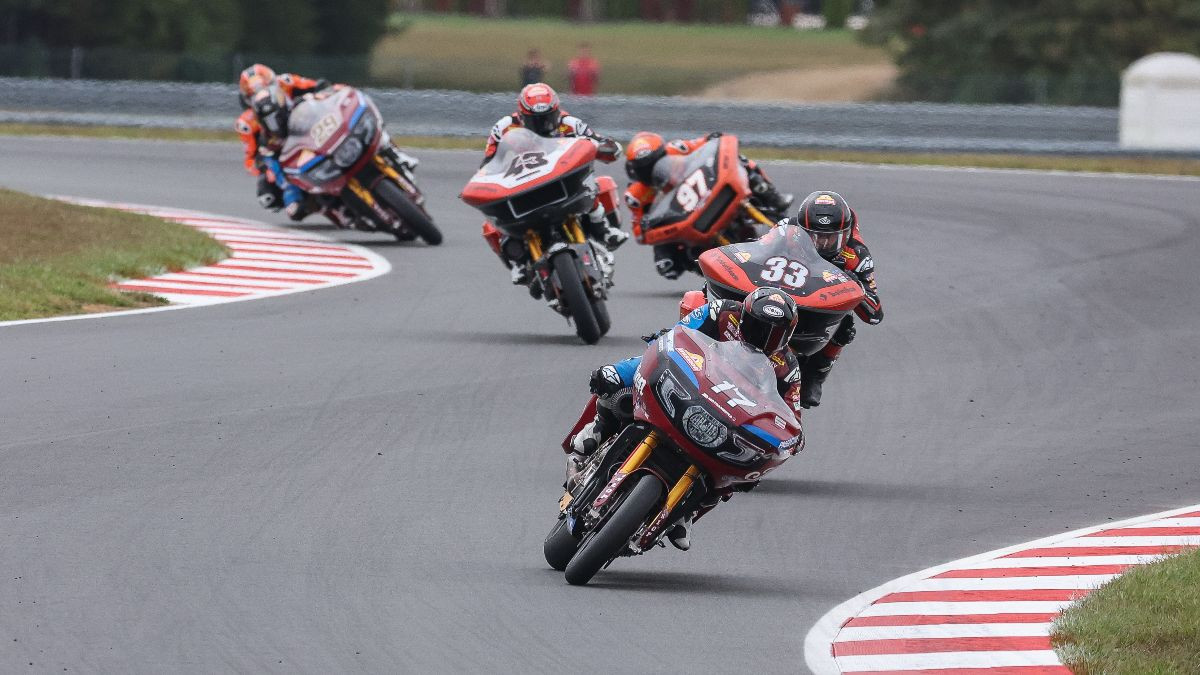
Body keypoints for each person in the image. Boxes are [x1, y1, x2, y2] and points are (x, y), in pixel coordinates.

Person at [567, 286, 805, 550]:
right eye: (760, 327)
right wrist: (653, 349)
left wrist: (792, 439)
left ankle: (687, 510)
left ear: (788, 335)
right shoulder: (721, 311)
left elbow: (791, 413)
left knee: (740, 474)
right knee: (615, 381)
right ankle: (596, 431)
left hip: (724, 416)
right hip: (688, 383)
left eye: (776, 334)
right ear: (745, 315)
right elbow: (675, 335)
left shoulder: (787, 367)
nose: (766, 338)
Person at [482, 82, 628, 286]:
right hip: (523, 186)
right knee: (491, 222)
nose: (544, 124)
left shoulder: (570, 123)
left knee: (596, 182)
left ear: (557, 110)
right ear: (522, 116)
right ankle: (518, 262)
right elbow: (488, 162)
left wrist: (607, 148)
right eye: (537, 120)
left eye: (549, 117)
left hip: (562, 182)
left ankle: (604, 229)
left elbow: (596, 140)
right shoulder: (504, 127)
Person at [623, 131, 794, 279]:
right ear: (635, 170)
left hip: (706, 190)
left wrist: (714, 138)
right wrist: (645, 225)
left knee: (740, 162)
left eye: (656, 161)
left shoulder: (678, 148)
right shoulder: (635, 195)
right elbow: (638, 231)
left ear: (663, 152)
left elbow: (705, 143)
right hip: (681, 218)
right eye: (644, 168)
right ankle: (706, 268)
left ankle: (773, 196)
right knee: (667, 262)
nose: (653, 171)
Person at [784, 190, 884, 407]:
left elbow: (875, 314)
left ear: (845, 234)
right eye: (814, 237)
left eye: (831, 239)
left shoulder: (856, 254)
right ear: (801, 230)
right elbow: (754, 248)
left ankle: (814, 377)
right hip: (781, 292)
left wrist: (854, 284)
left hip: (817, 312)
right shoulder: (786, 229)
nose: (822, 245)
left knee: (846, 325)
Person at [234, 64, 332, 221]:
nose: (262, 96)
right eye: (254, 94)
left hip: (308, 127)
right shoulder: (245, 123)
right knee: (267, 196)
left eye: (265, 88)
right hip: (281, 149)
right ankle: (293, 197)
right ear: (247, 98)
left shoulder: (287, 81)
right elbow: (250, 159)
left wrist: (322, 92)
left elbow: (319, 87)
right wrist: (264, 167)